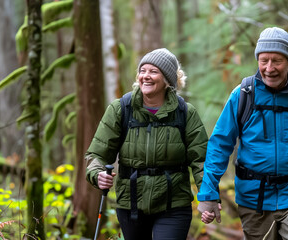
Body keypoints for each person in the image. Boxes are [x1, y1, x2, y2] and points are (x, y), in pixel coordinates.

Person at [197, 27, 288, 239]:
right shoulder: (244, 95)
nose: (269, 68)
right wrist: (208, 194)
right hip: (253, 200)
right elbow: (219, 146)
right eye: (264, 60)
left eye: (277, 61)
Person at [85, 48, 208, 240]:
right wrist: (96, 174)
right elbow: (97, 154)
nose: (145, 76)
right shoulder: (121, 109)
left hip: (173, 204)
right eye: (142, 71)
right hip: (131, 203)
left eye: (153, 71)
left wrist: (208, 196)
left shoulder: (184, 112)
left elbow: (201, 161)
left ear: (168, 79)